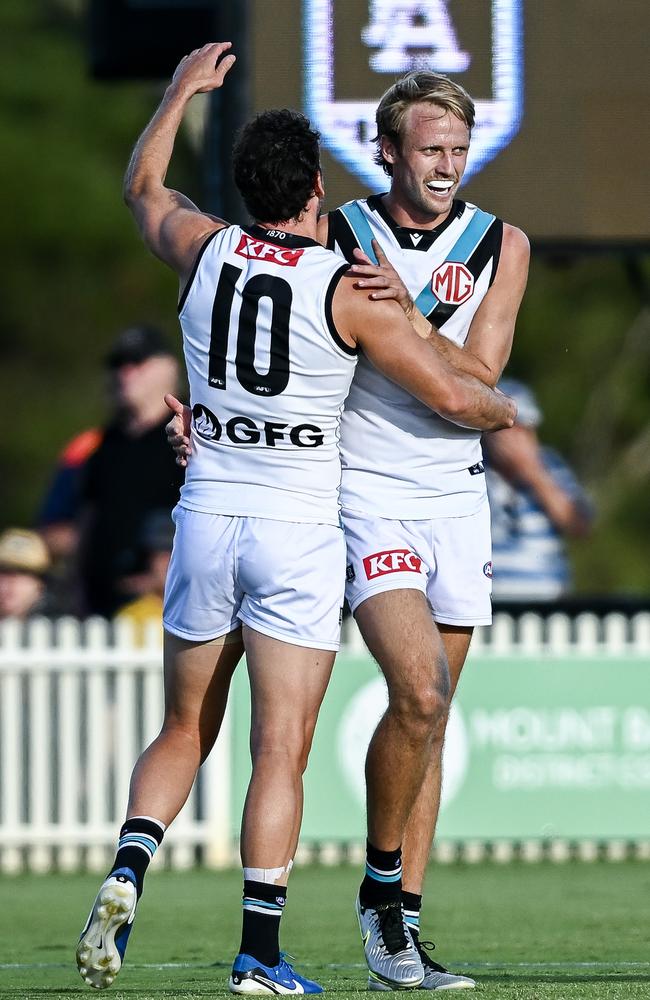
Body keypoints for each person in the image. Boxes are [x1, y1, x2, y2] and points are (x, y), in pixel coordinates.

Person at [76, 43, 515, 996]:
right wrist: (503, 410)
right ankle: (270, 948)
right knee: (313, 735)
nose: (445, 165)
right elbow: (455, 390)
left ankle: (131, 870)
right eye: (428, 147)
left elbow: (144, 187)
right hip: (318, 515)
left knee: (190, 726)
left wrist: (181, 88)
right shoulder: (342, 273)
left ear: (239, 190)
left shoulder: (207, 246)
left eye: (456, 147)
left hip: (220, 513)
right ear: (329, 183)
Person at [76, 325, 185, 617]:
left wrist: (161, 576)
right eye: (118, 365)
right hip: (102, 605)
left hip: (168, 604)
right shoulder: (105, 444)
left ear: (168, 367)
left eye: (137, 363)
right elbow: (89, 517)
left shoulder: (187, 436)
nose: (125, 374)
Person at [484, 378, 594, 602]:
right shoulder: (473, 468)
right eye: (508, 429)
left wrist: (534, 474)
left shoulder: (552, 467)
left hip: (549, 607)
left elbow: (578, 525)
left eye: (525, 429)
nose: (515, 438)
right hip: (492, 609)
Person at [115, 509, 175, 641]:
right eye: (160, 555)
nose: (167, 562)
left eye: (173, 552)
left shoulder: (202, 612)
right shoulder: (130, 617)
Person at [0, 528, 52, 620]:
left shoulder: (58, 624)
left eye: (23, 572)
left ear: (40, 585)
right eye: (4, 571)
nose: (11, 581)